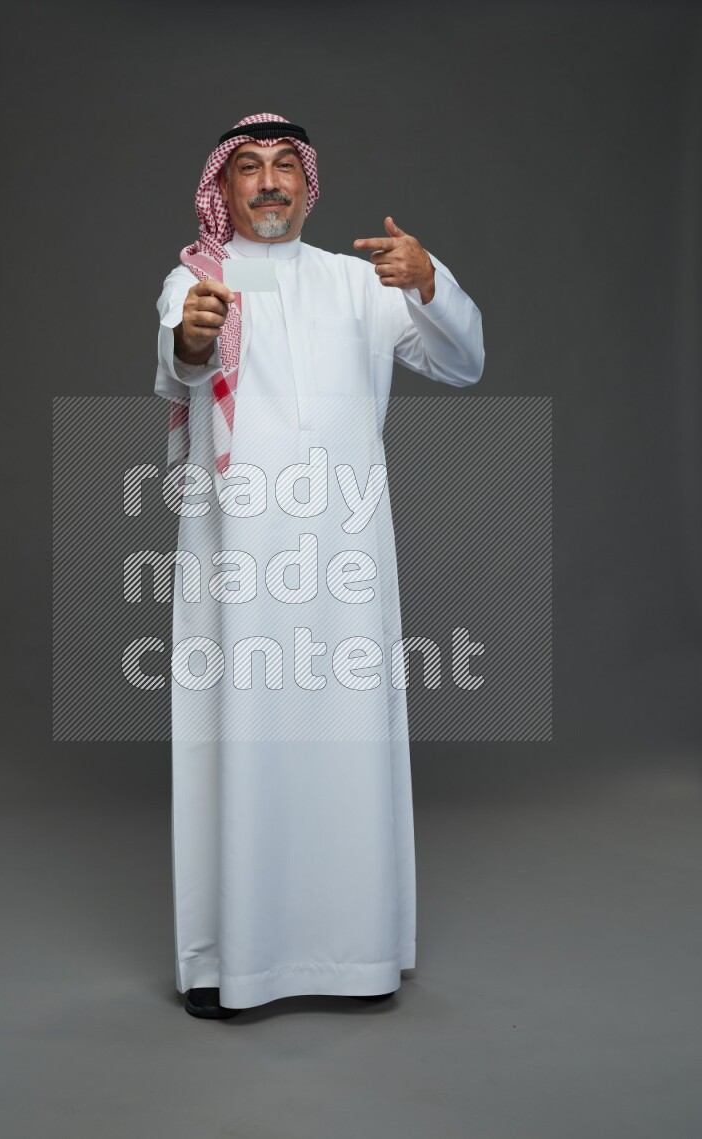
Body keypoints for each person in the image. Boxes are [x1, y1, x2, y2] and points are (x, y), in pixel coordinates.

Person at [153, 113, 484, 1019]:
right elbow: (182, 364)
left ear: (309, 187)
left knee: (347, 742)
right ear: (221, 192)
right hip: (237, 560)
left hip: (344, 558)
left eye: (284, 168)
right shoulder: (197, 280)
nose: (267, 182)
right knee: (242, 738)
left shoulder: (361, 284)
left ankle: (357, 956)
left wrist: (431, 285)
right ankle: (234, 961)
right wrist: (191, 337)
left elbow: (464, 364)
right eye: (248, 169)